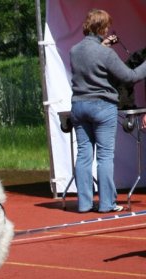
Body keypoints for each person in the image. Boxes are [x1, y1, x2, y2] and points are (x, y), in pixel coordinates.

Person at [69, 9, 146, 213]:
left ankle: (84, 204)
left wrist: (103, 46)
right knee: (104, 156)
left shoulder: (74, 50)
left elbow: (89, 67)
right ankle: (106, 204)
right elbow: (129, 76)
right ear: (102, 28)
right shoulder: (106, 53)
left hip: (78, 105)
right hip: (102, 106)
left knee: (84, 155)